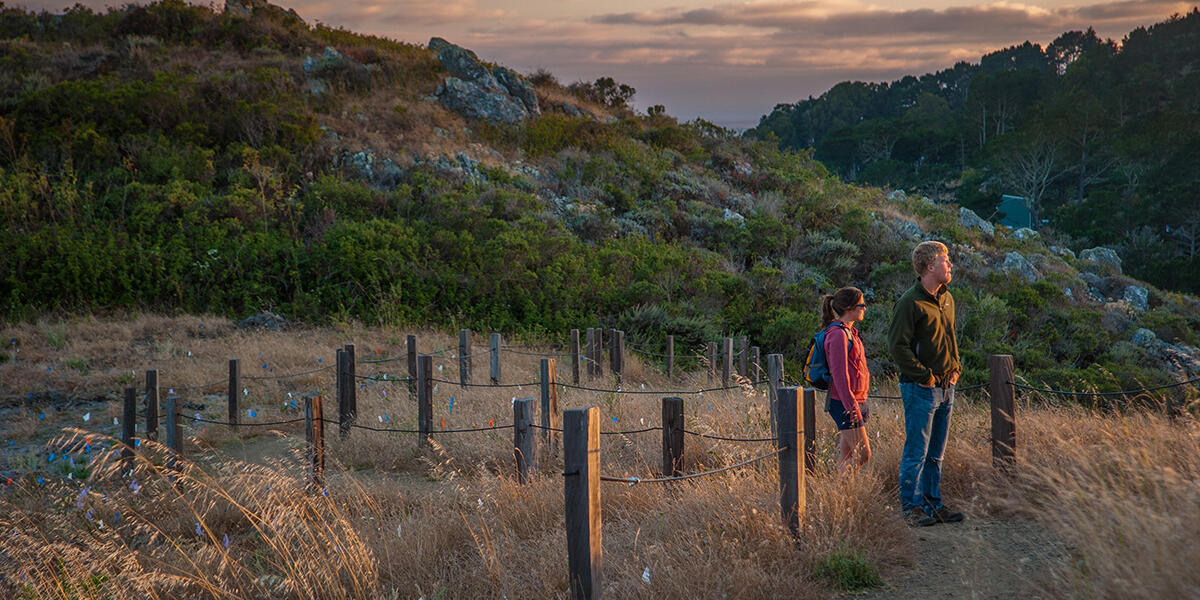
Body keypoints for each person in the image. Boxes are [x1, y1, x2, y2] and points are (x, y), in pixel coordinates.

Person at [888, 240, 964, 527]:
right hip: (921, 388)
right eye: (946, 261)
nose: (950, 265)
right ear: (930, 266)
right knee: (916, 452)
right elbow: (897, 346)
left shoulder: (947, 298)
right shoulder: (910, 302)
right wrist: (924, 376)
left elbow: (951, 337)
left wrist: (955, 367)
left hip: (947, 387)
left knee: (936, 454)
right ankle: (911, 508)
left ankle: (934, 504)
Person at [821, 286, 871, 473]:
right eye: (861, 304)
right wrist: (852, 408)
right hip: (845, 403)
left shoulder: (851, 332)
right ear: (850, 307)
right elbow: (840, 376)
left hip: (856, 400)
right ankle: (837, 491)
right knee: (864, 454)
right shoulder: (837, 334)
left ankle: (843, 495)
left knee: (847, 457)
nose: (864, 308)